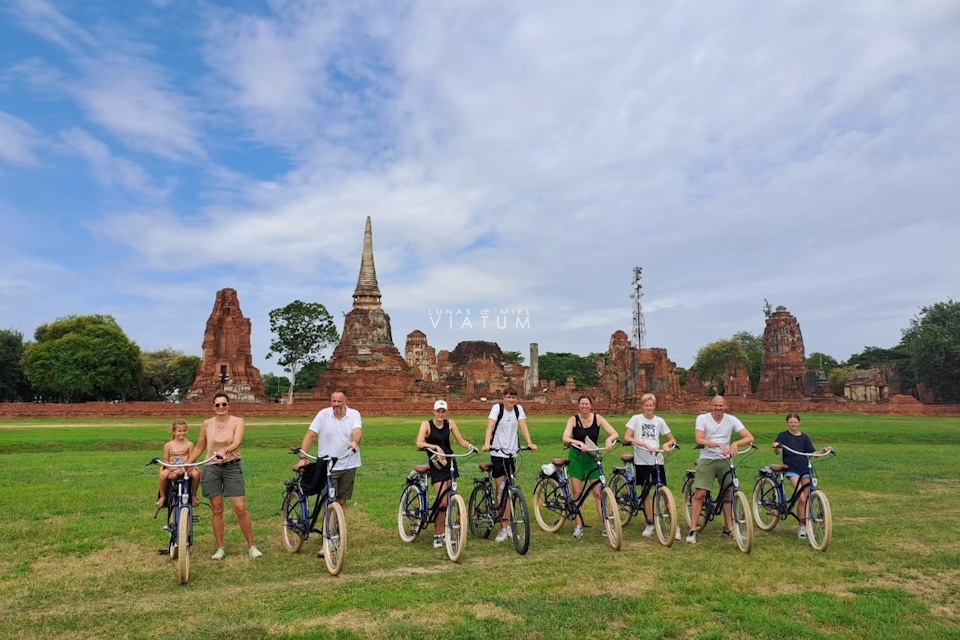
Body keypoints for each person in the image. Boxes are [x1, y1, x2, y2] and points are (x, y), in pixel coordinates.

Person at [188, 392, 261, 560]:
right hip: (212, 467)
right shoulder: (207, 424)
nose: (221, 407)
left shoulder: (237, 421)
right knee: (217, 509)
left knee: (240, 508)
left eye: (224, 404)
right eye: (217, 405)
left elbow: (236, 442)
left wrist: (225, 450)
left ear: (229, 405)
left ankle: (252, 546)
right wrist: (188, 463)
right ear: (213, 407)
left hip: (231, 466)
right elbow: (200, 447)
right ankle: (220, 547)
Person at [295, 390, 362, 556]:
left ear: (346, 401)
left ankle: (336, 535)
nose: (336, 404)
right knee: (328, 502)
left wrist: (355, 442)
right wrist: (303, 457)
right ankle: (328, 541)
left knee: (341, 501)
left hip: (348, 463)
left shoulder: (354, 414)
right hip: (327, 465)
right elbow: (310, 435)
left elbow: (357, 431)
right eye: (333, 401)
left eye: (339, 401)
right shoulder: (323, 415)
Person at [686, 395, 754, 544]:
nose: (718, 408)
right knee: (700, 493)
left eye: (721, 406)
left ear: (725, 406)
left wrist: (735, 443)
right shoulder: (702, 418)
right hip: (707, 458)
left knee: (728, 494)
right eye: (716, 405)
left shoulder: (731, 420)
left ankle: (728, 527)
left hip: (725, 460)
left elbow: (749, 437)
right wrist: (718, 445)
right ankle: (693, 528)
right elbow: (699, 439)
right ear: (711, 406)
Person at [417, 400, 475, 548]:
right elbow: (419, 443)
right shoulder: (426, 424)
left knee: (451, 499)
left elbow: (460, 440)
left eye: (443, 411)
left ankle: (447, 533)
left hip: (450, 463)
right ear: (434, 411)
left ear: (446, 412)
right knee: (442, 502)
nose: (440, 414)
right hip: (436, 463)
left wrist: (470, 446)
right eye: (438, 411)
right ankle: (437, 534)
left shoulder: (450, 424)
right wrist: (434, 446)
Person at [482, 388, 537, 543]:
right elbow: (490, 427)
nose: (511, 400)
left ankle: (510, 526)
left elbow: (523, 427)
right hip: (498, 453)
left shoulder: (518, 410)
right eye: (509, 397)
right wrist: (487, 443)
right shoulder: (497, 409)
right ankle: (503, 527)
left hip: (512, 453)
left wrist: (529, 442)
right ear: (503, 398)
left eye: (514, 397)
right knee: (500, 488)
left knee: (510, 490)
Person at [561, 395, 619, 538]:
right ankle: (579, 525)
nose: (584, 406)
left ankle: (606, 526)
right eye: (582, 404)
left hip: (592, 458)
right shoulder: (573, 419)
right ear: (579, 405)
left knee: (599, 493)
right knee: (577, 493)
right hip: (577, 458)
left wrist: (609, 439)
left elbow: (615, 433)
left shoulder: (598, 418)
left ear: (591, 405)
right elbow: (565, 439)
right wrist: (579, 443)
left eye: (587, 404)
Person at [624, 393, 677, 539]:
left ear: (655, 406)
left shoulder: (659, 420)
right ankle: (650, 522)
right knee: (645, 491)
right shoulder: (636, 419)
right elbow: (627, 437)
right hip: (642, 459)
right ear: (642, 406)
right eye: (646, 405)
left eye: (651, 405)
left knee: (662, 489)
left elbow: (672, 439)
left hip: (657, 459)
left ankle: (671, 520)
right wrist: (642, 443)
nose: (649, 408)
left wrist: (666, 444)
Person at [772, 413, 832, 540]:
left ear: (799, 423)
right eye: (790, 422)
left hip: (805, 469)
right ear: (787, 423)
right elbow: (777, 450)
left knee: (809, 497)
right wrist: (776, 446)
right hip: (792, 469)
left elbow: (812, 453)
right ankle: (802, 527)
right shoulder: (783, 436)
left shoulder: (804, 438)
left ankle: (808, 522)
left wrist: (823, 450)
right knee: (802, 498)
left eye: (795, 422)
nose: (793, 424)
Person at [156, 419, 200, 508]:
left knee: (196, 474)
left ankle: (194, 496)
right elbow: (166, 460)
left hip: (187, 467)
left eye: (184, 431)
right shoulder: (168, 445)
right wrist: (173, 470)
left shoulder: (189, 444)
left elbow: (192, 460)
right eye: (179, 431)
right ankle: (163, 497)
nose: (182, 433)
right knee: (163, 474)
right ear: (174, 432)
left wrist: (183, 469)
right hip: (172, 467)